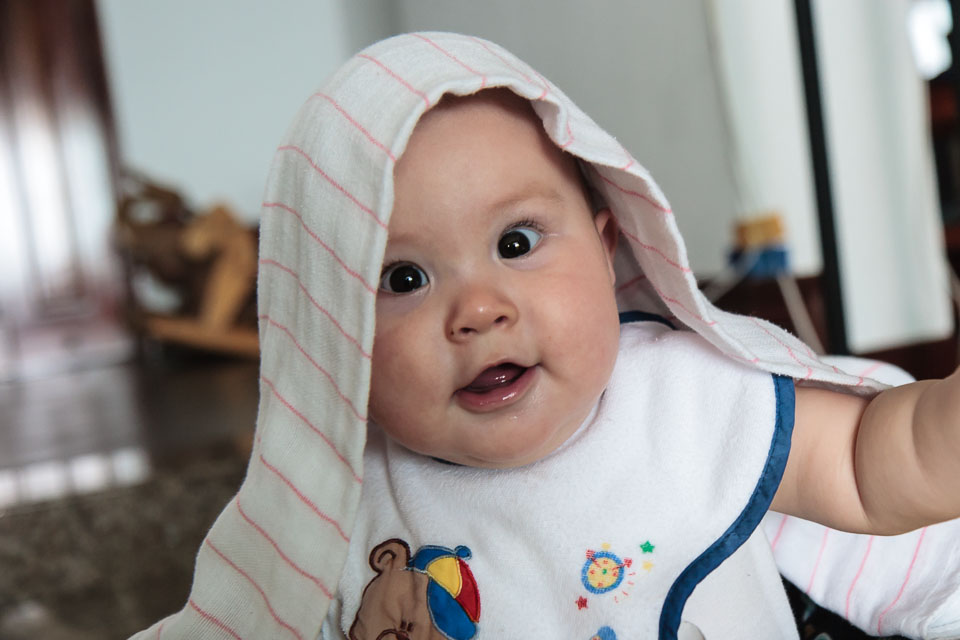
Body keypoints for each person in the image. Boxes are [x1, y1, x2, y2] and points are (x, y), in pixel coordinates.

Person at [131, 33, 960, 640]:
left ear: (605, 250)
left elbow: (866, 464)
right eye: (405, 279)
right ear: (335, 334)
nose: (478, 310)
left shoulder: (681, 399)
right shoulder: (334, 508)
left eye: (517, 243)